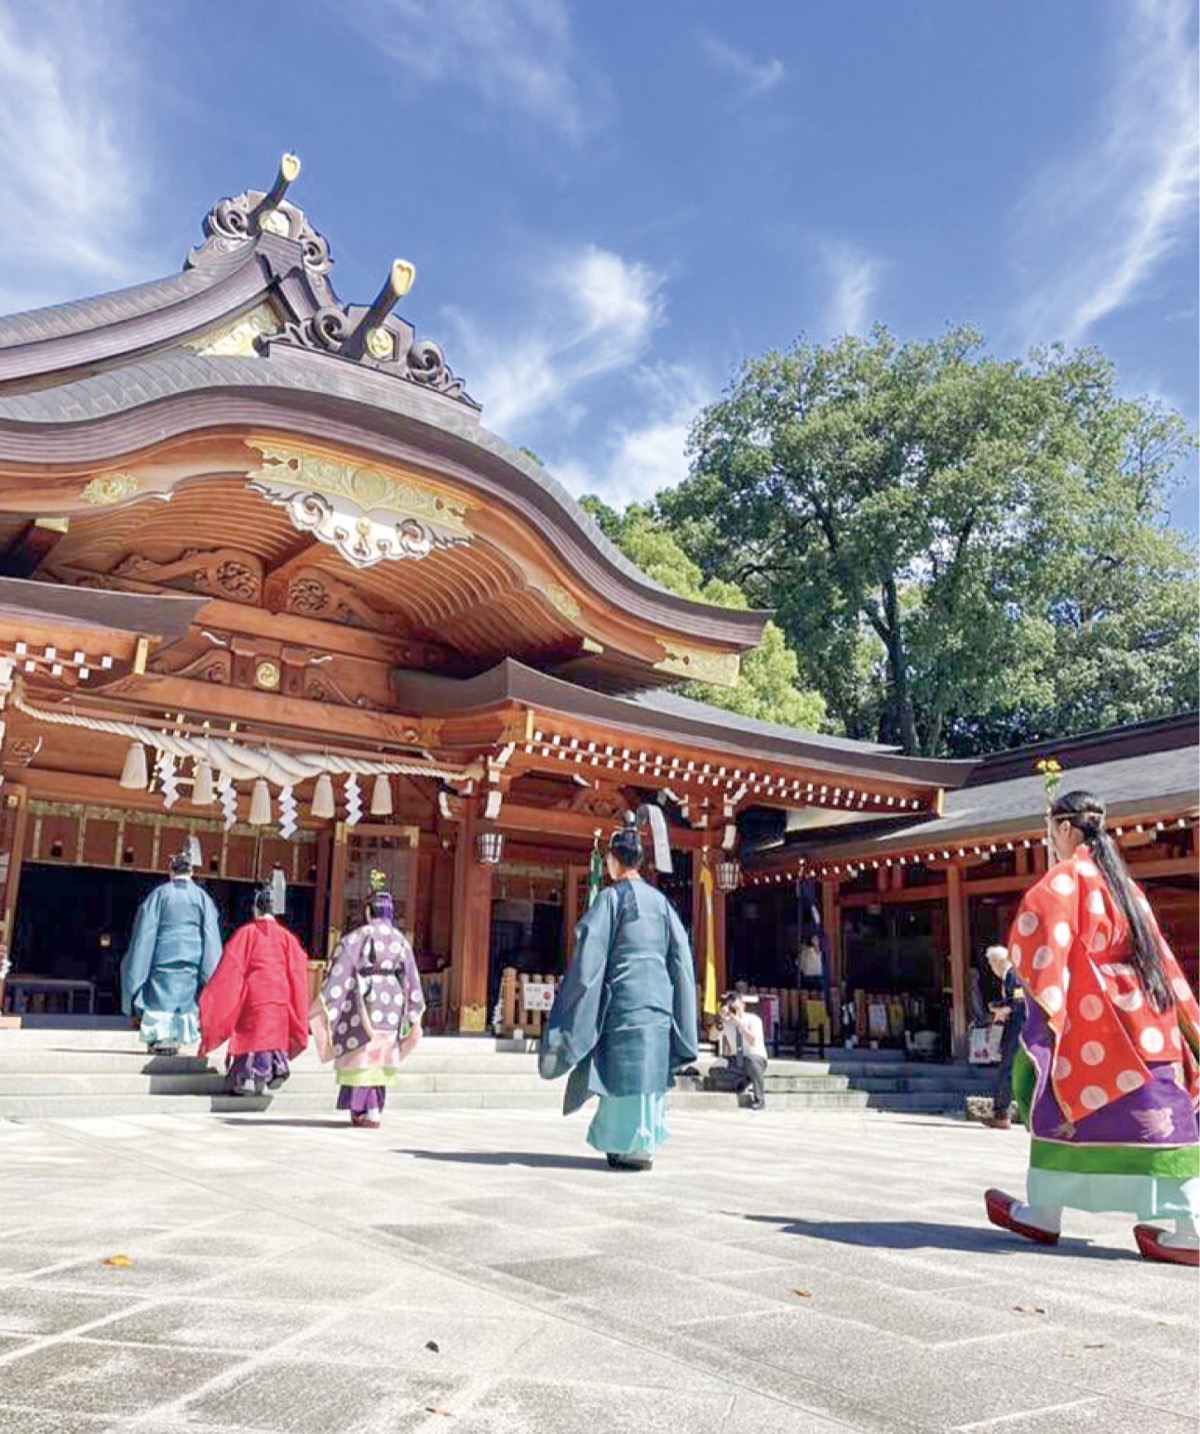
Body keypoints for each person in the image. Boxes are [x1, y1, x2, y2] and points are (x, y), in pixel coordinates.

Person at [985, 790, 1200, 1266]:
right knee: (1166, 1119)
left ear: (1064, 829)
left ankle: (1044, 1211)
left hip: (1095, 1019)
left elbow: (1039, 939)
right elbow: (1159, 956)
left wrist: (1045, 1002)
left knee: (1057, 1103)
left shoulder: (1065, 880)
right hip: (1150, 1018)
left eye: (1049, 830)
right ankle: (1191, 1228)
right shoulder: (1125, 884)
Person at [538, 810, 698, 1170]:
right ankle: (645, 1142)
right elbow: (682, 959)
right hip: (658, 1001)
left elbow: (590, 954)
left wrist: (577, 999)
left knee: (622, 1069)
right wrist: (682, 1010)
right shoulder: (662, 903)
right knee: (648, 1069)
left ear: (612, 861)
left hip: (623, 999)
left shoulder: (611, 899)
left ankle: (625, 1144)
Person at [312, 877, 424, 1128]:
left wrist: (327, 999)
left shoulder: (358, 937)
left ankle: (366, 1108)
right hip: (392, 1002)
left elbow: (341, 968)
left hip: (366, 999)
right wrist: (412, 1010)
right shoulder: (401, 941)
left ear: (367, 911)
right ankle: (375, 1109)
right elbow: (412, 978)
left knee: (364, 1053)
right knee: (382, 1055)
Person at [198, 885, 311, 1095]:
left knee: (252, 1034)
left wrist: (217, 997)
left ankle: (247, 1078)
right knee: (273, 1035)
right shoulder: (287, 938)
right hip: (280, 993)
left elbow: (231, 967)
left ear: (255, 909)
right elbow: (297, 969)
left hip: (255, 993)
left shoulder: (246, 933)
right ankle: (275, 1069)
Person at [120, 851, 222, 1056]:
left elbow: (144, 935)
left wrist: (136, 971)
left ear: (171, 871)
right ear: (191, 871)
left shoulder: (159, 895)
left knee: (160, 1001)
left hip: (162, 960)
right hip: (191, 963)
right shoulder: (203, 898)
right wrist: (212, 974)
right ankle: (174, 1037)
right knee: (182, 1003)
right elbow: (210, 937)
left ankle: (160, 1038)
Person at [982, 945, 1025, 1130]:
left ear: (997, 962)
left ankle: (1001, 1114)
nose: (992, 968)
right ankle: (1002, 1112)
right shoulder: (1009, 977)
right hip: (1016, 1028)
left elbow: (1019, 1003)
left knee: (1006, 1070)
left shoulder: (1013, 975)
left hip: (1018, 1029)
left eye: (991, 964)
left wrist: (1002, 1009)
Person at [719, 991, 769, 1109]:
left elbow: (753, 1041)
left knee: (752, 1063)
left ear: (743, 1006)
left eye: (736, 1008)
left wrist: (741, 1025)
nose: (734, 1011)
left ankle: (759, 1099)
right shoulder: (726, 1022)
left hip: (754, 1057)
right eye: (732, 1008)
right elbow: (712, 1036)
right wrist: (720, 1019)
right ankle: (742, 1080)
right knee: (715, 1070)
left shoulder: (753, 1020)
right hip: (736, 1060)